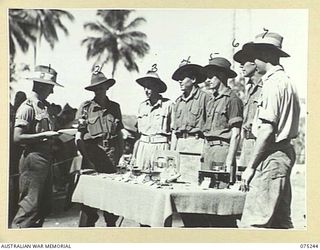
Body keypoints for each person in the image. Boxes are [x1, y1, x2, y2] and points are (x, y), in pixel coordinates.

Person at [238, 32, 300, 228]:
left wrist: (251, 167)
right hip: (282, 154)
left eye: (255, 55)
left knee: (255, 223)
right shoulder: (286, 81)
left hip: (272, 156)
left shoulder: (273, 84)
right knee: (280, 222)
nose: (253, 62)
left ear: (266, 55)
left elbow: (266, 130)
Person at [12, 65, 62, 228]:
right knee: (29, 207)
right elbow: (17, 137)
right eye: (51, 87)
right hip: (33, 160)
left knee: (43, 207)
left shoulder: (44, 107)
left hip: (46, 159)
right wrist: (43, 136)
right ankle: (17, 240)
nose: (52, 92)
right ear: (41, 86)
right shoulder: (27, 107)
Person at [75, 69, 124, 227]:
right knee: (89, 203)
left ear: (107, 88)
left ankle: (111, 233)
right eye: (95, 88)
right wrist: (86, 159)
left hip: (111, 157)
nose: (98, 91)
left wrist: (120, 156)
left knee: (112, 204)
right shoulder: (85, 108)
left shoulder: (115, 107)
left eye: (101, 87)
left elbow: (120, 134)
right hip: (92, 158)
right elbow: (79, 137)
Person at [171, 58, 210, 227]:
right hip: (180, 146)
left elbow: (209, 127)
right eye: (178, 77)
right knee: (180, 195)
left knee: (195, 195)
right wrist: (172, 154)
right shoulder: (178, 102)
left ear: (193, 79)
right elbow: (174, 130)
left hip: (196, 146)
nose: (180, 80)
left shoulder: (205, 98)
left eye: (183, 76)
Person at [202, 56, 243, 184]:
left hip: (222, 150)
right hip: (208, 149)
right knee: (205, 188)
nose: (208, 80)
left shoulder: (232, 99)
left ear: (221, 76)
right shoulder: (210, 100)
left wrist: (229, 160)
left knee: (221, 188)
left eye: (211, 76)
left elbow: (236, 134)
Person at [133, 64, 173, 170]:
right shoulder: (142, 106)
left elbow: (174, 133)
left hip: (161, 147)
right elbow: (138, 136)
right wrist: (134, 156)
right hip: (143, 146)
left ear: (157, 87)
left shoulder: (168, 105)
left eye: (150, 87)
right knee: (141, 176)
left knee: (160, 177)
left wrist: (171, 155)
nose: (147, 90)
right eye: (145, 87)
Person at [233, 48, 263, 170]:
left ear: (255, 63)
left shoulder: (267, 86)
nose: (241, 66)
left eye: (244, 61)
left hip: (259, 143)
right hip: (247, 142)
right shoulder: (250, 89)